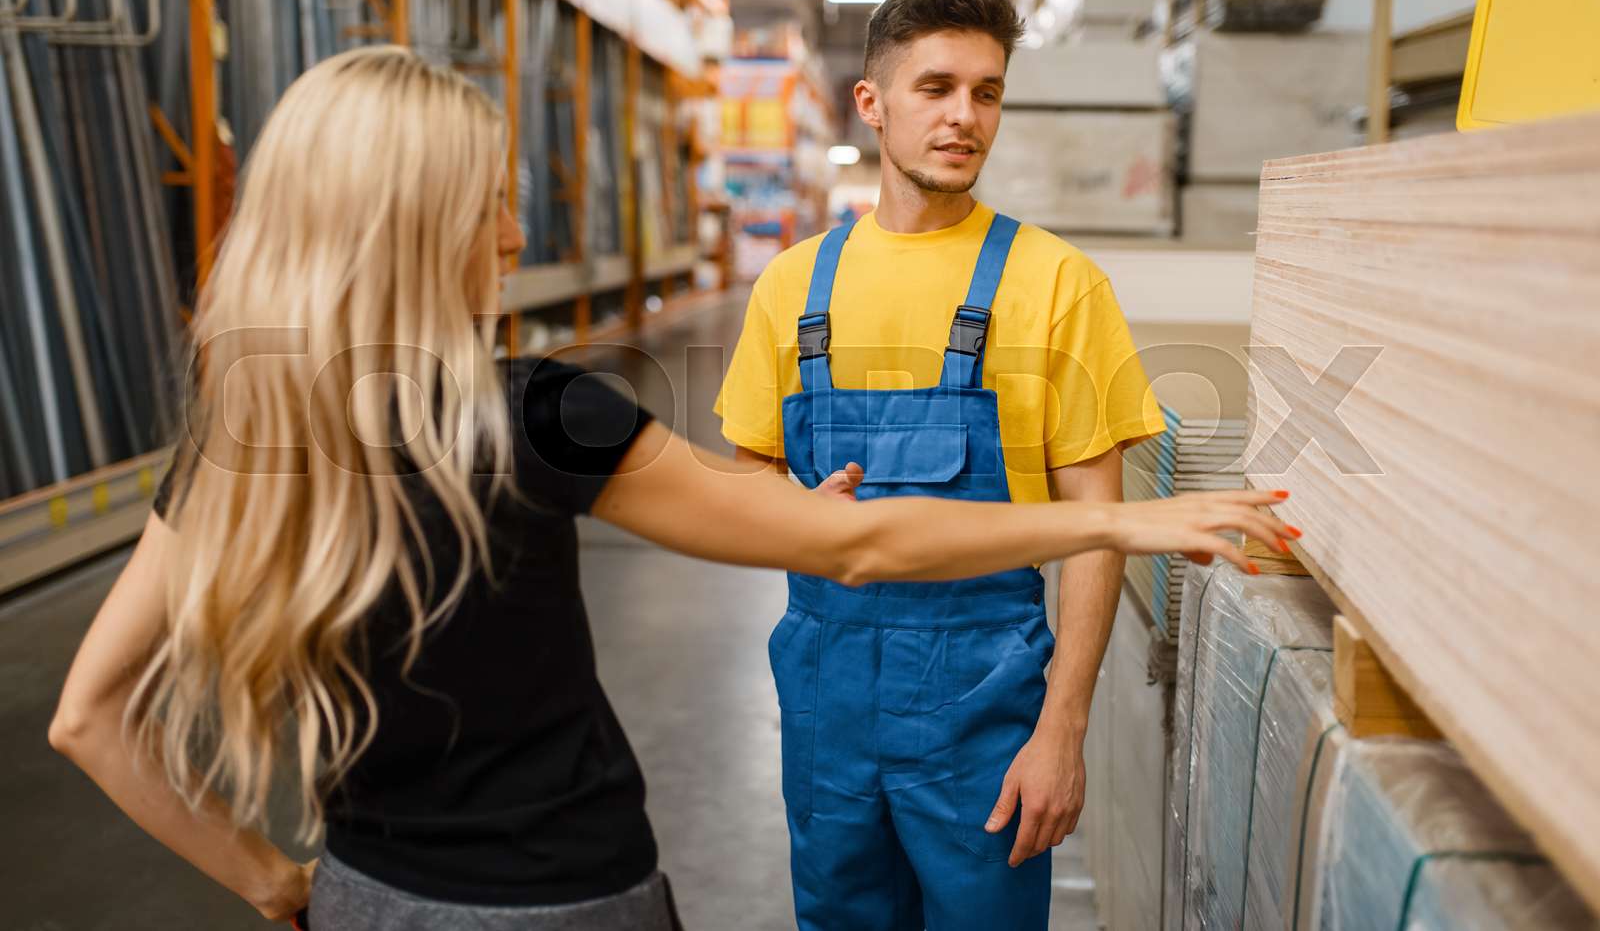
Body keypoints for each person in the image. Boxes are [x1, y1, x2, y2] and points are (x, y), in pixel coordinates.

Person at [48, 46, 1291, 930]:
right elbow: (857, 549)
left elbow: (88, 719)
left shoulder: (239, 427)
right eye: (492, 205)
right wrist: (1123, 515)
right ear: (418, 225)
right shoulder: (537, 412)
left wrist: (270, 878)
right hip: (562, 896)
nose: (515, 236)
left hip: (368, 894)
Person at [714, 0, 1239, 929]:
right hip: (827, 706)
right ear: (870, 103)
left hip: (982, 711)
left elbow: (1094, 526)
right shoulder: (794, 287)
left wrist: (1063, 729)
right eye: (937, 88)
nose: (965, 117)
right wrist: (795, 511)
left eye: (987, 92)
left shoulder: (1056, 284)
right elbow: (747, 471)